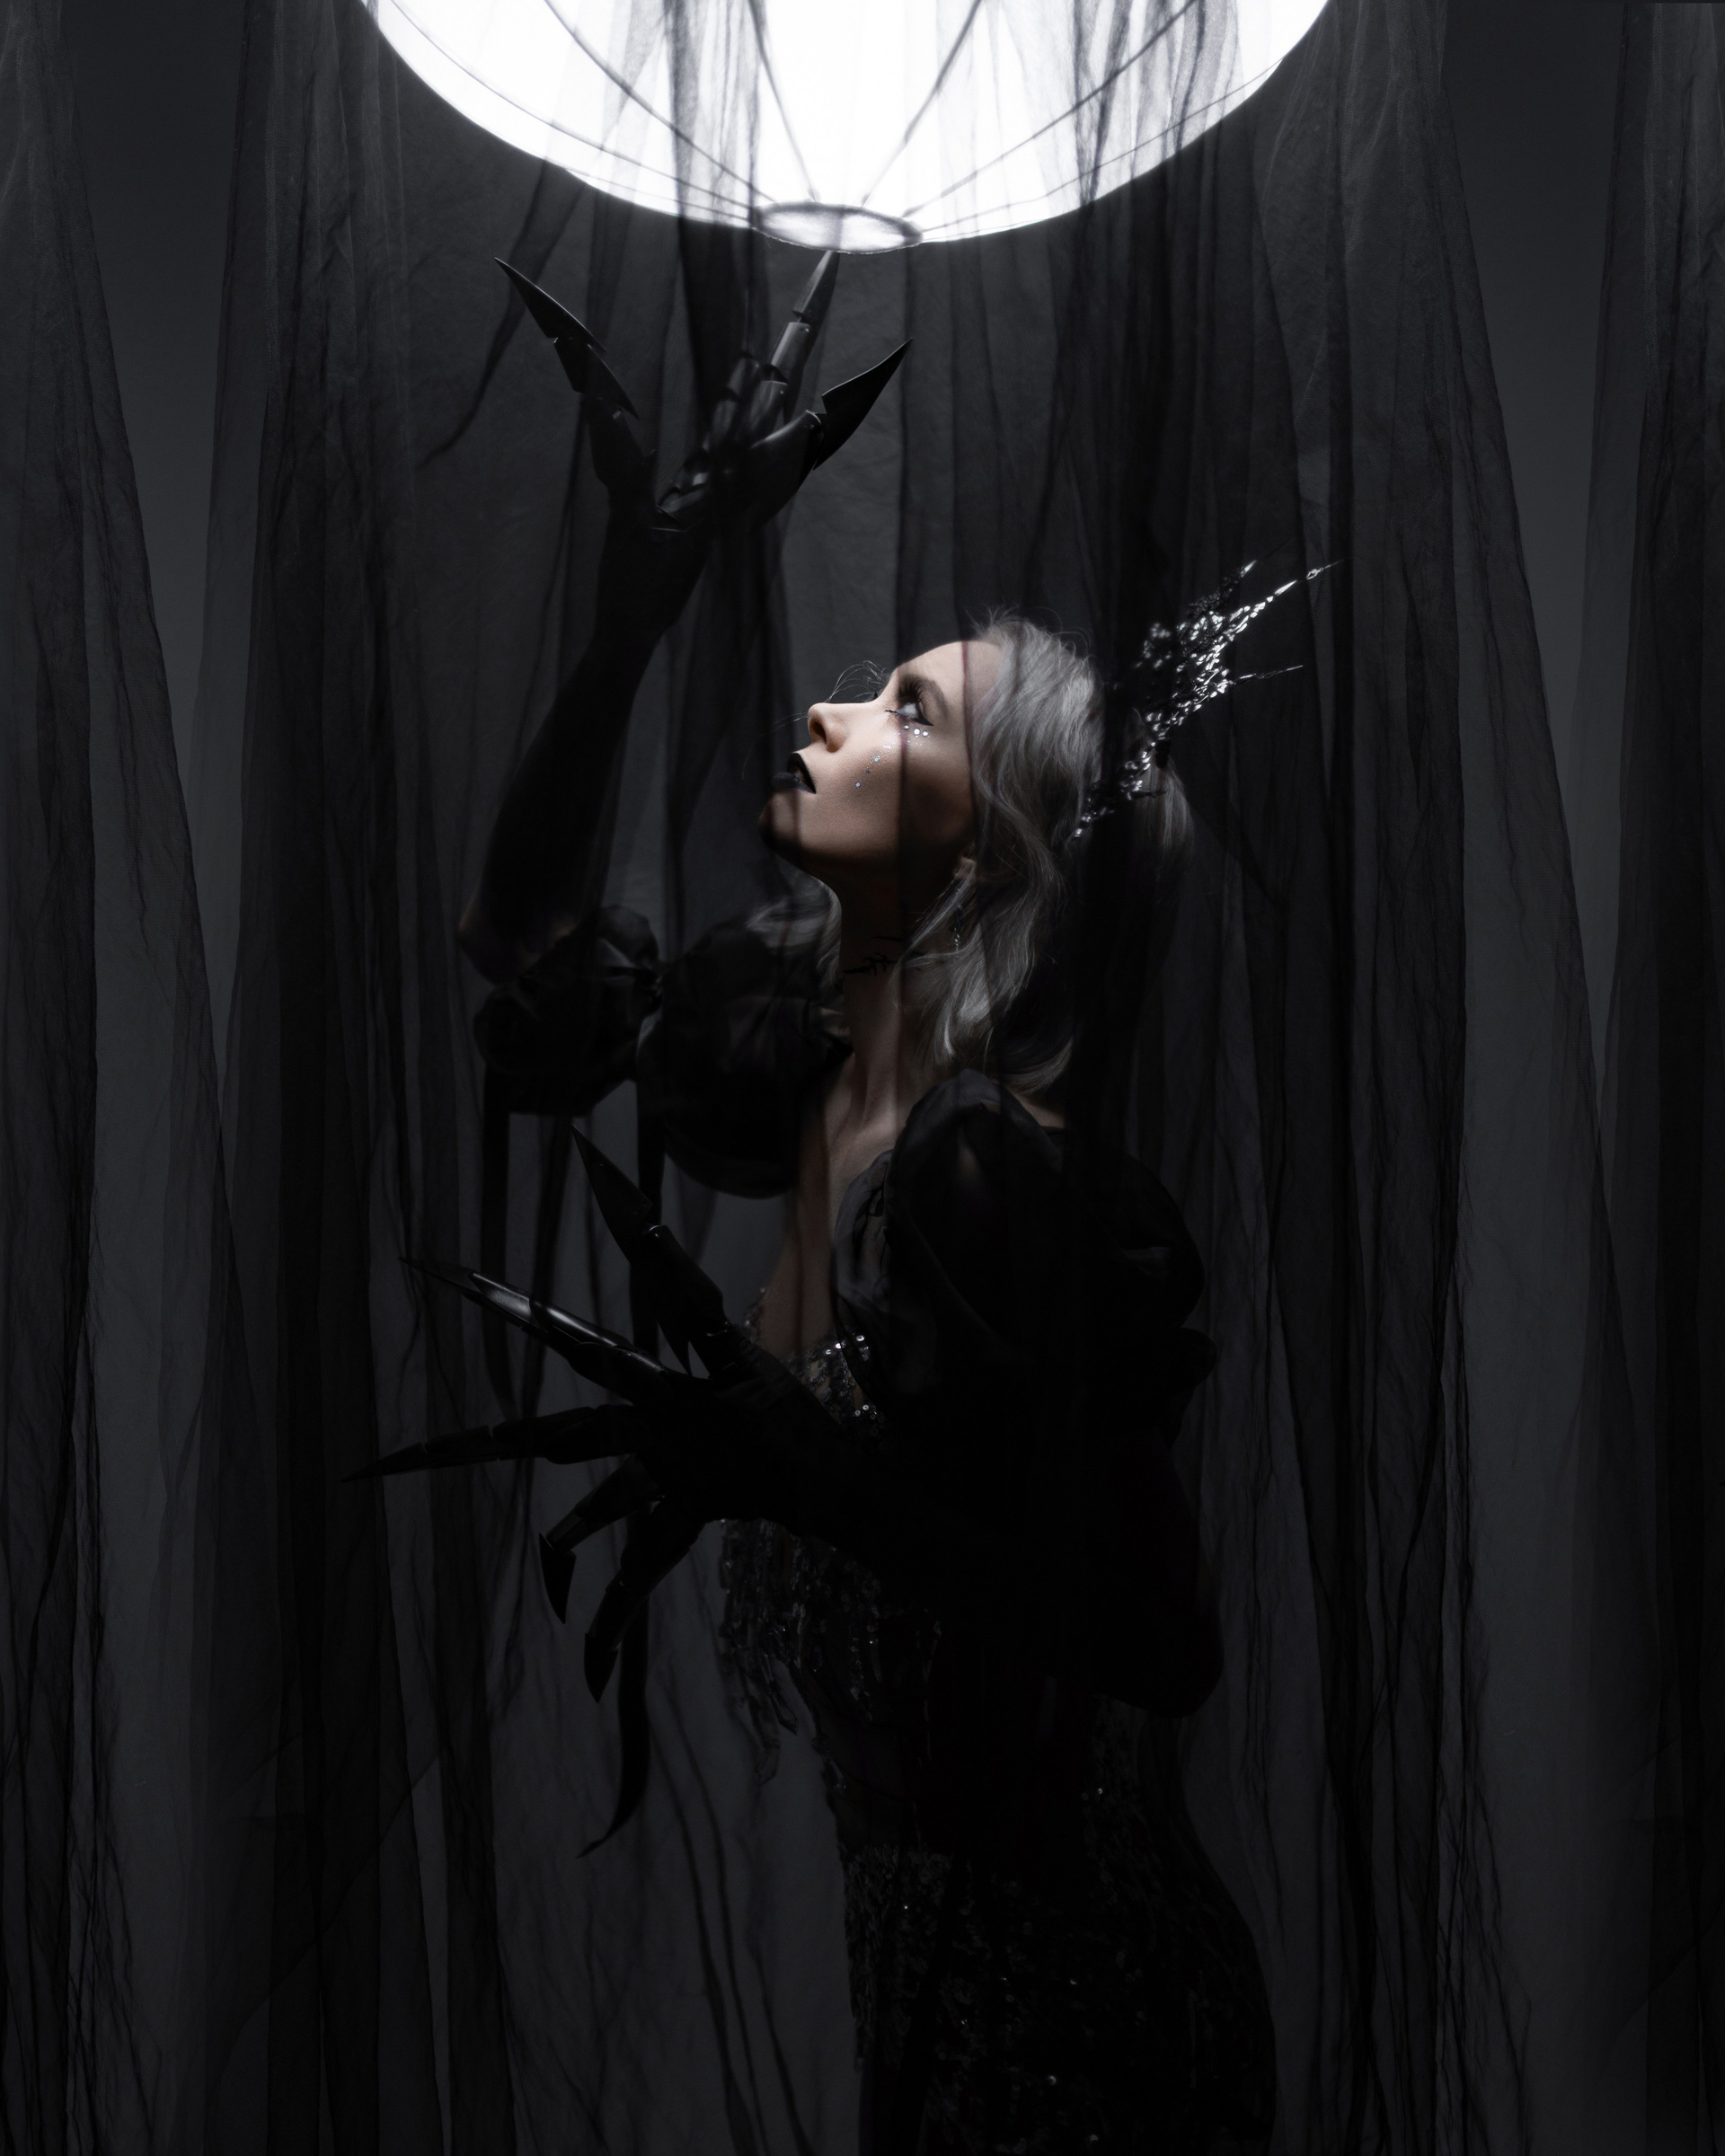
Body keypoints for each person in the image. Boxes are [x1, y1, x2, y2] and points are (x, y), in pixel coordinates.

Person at [390, 263, 1277, 2151]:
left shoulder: (981, 1172)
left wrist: (803, 1470)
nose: (825, 709)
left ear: (985, 853)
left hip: (1066, 2003)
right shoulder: (818, 1102)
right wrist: (636, 614)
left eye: (904, 710)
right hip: (935, 1974)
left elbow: (1164, 1639)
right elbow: (517, 951)